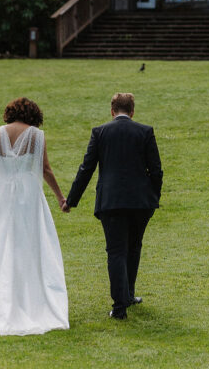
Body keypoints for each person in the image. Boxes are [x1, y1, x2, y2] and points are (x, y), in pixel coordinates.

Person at [0, 97, 69, 336]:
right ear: (34, 115)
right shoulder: (36, 136)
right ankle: (30, 300)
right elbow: (45, 169)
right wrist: (60, 197)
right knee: (29, 246)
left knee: (0, 245)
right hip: (28, 197)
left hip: (1, 197)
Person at [63, 91, 162, 320]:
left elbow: (86, 168)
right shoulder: (145, 132)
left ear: (112, 110)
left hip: (111, 201)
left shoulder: (100, 132)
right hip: (140, 202)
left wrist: (71, 200)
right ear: (132, 111)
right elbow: (156, 170)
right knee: (134, 246)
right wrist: (152, 197)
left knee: (116, 251)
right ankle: (127, 294)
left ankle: (120, 306)